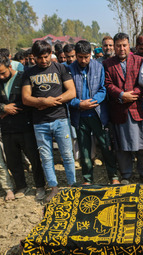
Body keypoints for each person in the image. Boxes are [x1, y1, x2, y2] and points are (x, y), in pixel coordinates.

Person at [22, 40, 76, 202]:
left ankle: (72, 186)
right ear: (34, 57)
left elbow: (72, 92)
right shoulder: (29, 73)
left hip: (60, 119)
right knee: (46, 157)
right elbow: (25, 98)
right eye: (40, 58)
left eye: (46, 57)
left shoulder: (60, 68)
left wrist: (54, 101)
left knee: (67, 154)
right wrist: (41, 102)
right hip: (40, 122)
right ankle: (54, 188)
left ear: (50, 55)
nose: (43, 61)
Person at [68, 40, 119, 185]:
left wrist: (92, 102)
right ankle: (87, 179)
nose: (83, 60)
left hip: (97, 114)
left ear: (91, 54)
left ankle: (113, 176)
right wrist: (78, 103)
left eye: (86, 57)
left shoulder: (98, 67)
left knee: (106, 146)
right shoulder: (69, 70)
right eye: (80, 57)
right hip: (79, 116)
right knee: (84, 150)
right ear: (76, 55)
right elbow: (66, 94)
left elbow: (103, 89)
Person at [103, 33, 143, 184]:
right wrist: (121, 95)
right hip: (119, 109)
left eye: (124, 45)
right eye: (118, 46)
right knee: (122, 145)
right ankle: (126, 174)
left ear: (130, 46)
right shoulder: (108, 64)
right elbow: (108, 84)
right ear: (114, 47)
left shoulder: (140, 61)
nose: (121, 49)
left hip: (137, 108)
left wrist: (133, 94)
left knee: (142, 144)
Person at [0, 54, 46, 200]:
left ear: (9, 66)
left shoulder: (23, 76)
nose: (1, 77)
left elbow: (29, 99)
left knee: (34, 158)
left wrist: (15, 107)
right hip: (7, 128)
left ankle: (40, 186)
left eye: (3, 73)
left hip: (25, 125)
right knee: (13, 161)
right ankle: (21, 186)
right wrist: (3, 108)